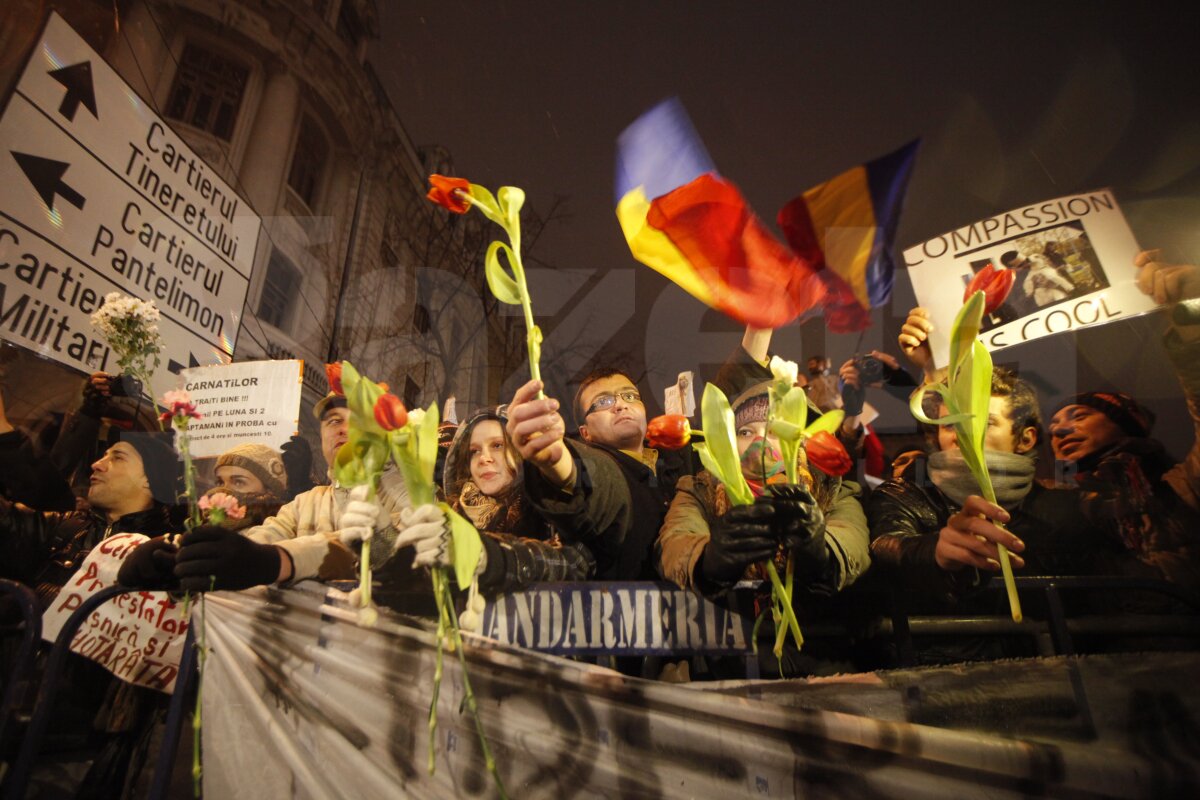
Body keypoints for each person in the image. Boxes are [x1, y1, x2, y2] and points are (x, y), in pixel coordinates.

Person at [873, 309, 1128, 618]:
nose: (965, 434)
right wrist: (935, 552)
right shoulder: (906, 496)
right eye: (950, 424)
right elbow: (887, 547)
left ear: (1025, 439)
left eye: (986, 422)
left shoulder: (1071, 511)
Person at [1045, 249, 1200, 586]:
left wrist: (1191, 315)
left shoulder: (1184, 487)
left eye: (1080, 415)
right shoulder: (1047, 504)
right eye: (1052, 427)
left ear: (1124, 423)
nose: (1059, 430)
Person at [170, 392, 408, 592]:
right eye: (334, 421)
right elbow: (259, 542)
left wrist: (280, 561)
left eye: (357, 421)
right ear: (322, 435)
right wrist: (184, 559)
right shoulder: (305, 503)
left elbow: (393, 548)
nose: (343, 429)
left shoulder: (409, 494)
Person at [656, 380, 869, 600]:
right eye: (745, 432)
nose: (760, 440)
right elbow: (675, 540)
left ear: (799, 441)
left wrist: (820, 551)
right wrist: (709, 559)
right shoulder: (699, 490)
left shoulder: (833, 491)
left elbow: (852, 539)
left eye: (775, 431)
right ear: (727, 441)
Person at [372, 409, 594, 598]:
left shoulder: (551, 512)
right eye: (474, 451)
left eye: (497, 445)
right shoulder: (446, 515)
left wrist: (489, 558)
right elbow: (419, 587)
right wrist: (383, 548)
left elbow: (575, 563)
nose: (483, 458)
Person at [502, 369, 678, 581]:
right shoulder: (603, 468)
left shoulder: (678, 461)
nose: (621, 405)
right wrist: (559, 462)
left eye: (630, 396)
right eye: (603, 402)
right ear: (586, 433)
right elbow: (594, 478)